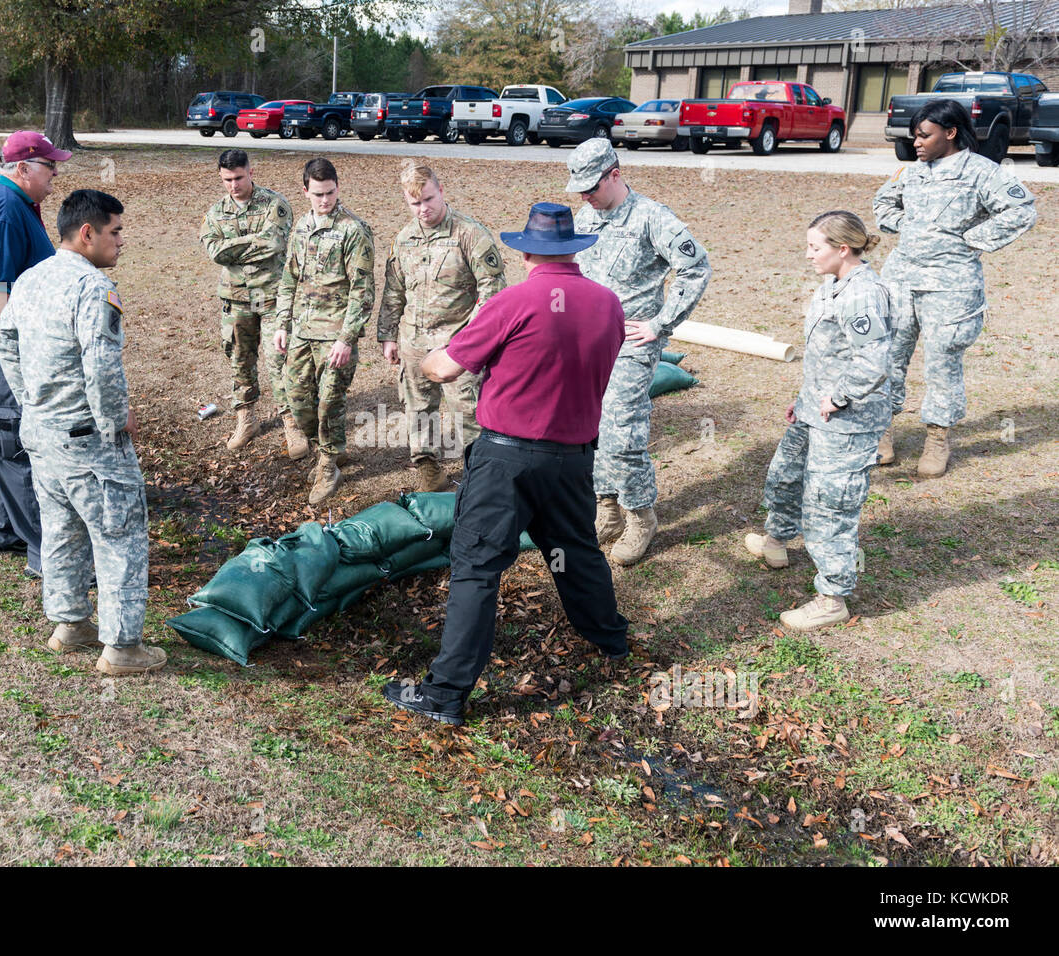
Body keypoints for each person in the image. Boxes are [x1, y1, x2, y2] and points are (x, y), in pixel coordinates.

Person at [382, 203, 631, 726]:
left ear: (524, 252)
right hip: (572, 458)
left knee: (476, 569)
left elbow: (442, 369)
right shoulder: (608, 304)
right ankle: (609, 639)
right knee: (575, 552)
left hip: (506, 461)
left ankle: (445, 693)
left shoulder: (512, 302)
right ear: (574, 251)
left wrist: (446, 341)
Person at [0, 189, 166, 676]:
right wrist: (115, 419)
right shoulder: (93, 288)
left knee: (62, 530)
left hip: (43, 435)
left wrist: (33, 400)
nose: (121, 242)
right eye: (115, 232)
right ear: (87, 233)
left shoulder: (30, 279)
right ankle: (122, 647)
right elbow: (101, 364)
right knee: (121, 537)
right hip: (89, 441)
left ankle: (70, 624)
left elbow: (4, 341)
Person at [565, 138, 711, 566]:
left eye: (592, 186)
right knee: (590, 424)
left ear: (615, 174)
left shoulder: (652, 218)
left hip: (631, 341)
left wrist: (661, 323)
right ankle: (606, 505)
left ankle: (640, 514)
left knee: (621, 426)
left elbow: (696, 267)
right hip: (587, 342)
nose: (586, 196)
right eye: (580, 189)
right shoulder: (586, 215)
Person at [745, 211, 892, 630]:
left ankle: (832, 597)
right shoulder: (833, 284)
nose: (808, 255)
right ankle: (777, 541)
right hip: (815, 409)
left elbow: (873, 361)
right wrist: (805, 399)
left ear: (842, 249)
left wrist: (838, 398)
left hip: (846, 420)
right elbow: (827, 355)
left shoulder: (864, 294)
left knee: (830, 506)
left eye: (815, 247)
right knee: (786, 476)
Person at [873, 98, 1036, 477]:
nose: (917, 143)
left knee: (943, 362)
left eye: (924, 135)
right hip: (900, 280)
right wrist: (907, 226)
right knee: (885, 357)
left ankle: (937, 438)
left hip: (950, 286)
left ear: (950, 133)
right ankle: (881, 434)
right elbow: (883, 202)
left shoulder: (983, 173)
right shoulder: (911, 172)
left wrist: (970, 240)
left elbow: (1021, 210)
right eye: (914, 135)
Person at [0, 130, 71, 578]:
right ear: (22, 169)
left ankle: (2, 528)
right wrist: (20, 353)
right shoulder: (6, 209)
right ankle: (46, 554)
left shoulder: (14, 202)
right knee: (14, 438)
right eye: (49, 166)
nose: (55, 174)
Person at [377, 159, 507, 491]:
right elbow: (394, 290)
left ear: (441, 192)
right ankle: (429, 472)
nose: (423, 209)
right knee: (419, 409)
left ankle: (479, 476)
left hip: (457, 344)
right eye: (415, 203)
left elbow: (493, 291)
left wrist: (470, 340)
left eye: (428, 199)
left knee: (469, 412)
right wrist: (388, 336)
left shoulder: (469, 234)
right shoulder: (404, 238)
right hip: (413, 342)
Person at [272, 157, 375, 505]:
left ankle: (329, 463)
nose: (325, 200)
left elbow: (363, 291)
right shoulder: (300, 227)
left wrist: (347, 339)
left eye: (330, 193)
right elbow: (288, 280)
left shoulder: (353, 230)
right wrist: (282, 324)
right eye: (317, 194)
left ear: (337, 188)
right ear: (305, 192)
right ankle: (330, 447)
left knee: (329, 403)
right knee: (299, 402)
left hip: (335, 335)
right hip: (303, 329)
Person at [199, 149, 303, 455]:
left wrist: (232, 247)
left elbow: (274, 243)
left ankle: (292, 423)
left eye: (239, 178)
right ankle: (246, 419)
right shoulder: (215, 213)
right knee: (240, 360)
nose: (233, 185)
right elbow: (215, 252)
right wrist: (251, 244)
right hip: (236, 300)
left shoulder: (275, 204)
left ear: (251, 172)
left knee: (280, 361)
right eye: (227, 180)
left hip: (272, 298)